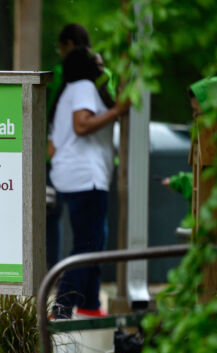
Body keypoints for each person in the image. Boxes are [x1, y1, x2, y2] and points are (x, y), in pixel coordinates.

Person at [48, 47, 129, 318]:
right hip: (86, 178)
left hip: (75, 176)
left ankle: (90, 305)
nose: (103, 66)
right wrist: (118, 110)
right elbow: (82, 125)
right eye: (99, 61)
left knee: (94, 242)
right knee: (87, 245)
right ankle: (62, 308)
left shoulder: (71, 90)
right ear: (87, 66)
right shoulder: (83, 86)